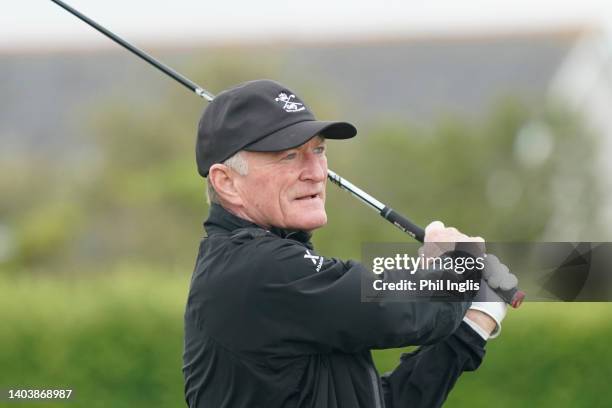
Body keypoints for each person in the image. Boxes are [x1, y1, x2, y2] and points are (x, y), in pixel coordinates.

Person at [183, 79, 508, 408]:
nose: (316, 172)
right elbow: (399, 311)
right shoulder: (254, 271)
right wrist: (459, 265)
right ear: (226, 182)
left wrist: (471, 327)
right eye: (289, 156)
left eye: (319, 150)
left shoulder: (288, 286)